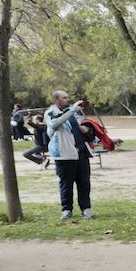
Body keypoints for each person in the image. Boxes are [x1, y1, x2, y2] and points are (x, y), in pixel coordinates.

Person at [46, 90, 94, 221]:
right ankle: (67, 210)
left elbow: (81, 128)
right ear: (56, 100)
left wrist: (85, 129)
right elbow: (54, 124)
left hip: (81, 152)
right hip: (64, 155)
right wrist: (72, 110)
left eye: (68, 97)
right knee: (66, 184)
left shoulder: (73, 113)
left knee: (84, 183)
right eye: (64, 98)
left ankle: (86, 209)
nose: (67, 100)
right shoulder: (51, 113)